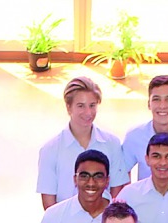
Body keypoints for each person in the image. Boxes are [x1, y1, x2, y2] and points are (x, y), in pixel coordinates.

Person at [37, 77, 128, 210]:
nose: (88, 112)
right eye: (81, 106)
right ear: (69, 107)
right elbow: (49, 204)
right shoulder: (50, 150)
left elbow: (117, 190)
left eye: (92, 105)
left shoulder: (112, 144)